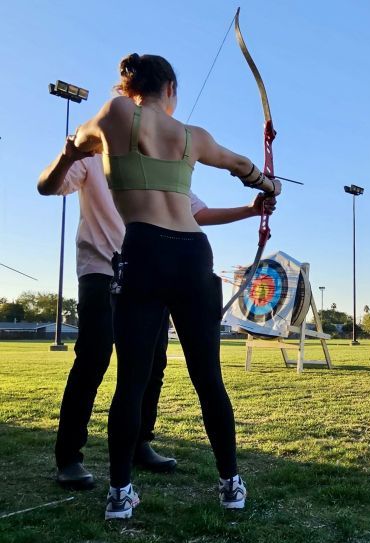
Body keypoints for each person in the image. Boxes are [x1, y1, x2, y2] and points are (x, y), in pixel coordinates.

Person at [73, 52, 280, 519]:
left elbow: (82, 140)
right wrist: (266, 184)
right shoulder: (190, 136)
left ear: (129, 87)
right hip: (191, 255)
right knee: (207, 378)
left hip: (145, 252)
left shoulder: (116, 114)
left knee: (133, 380)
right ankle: (230, 483)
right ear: (169, 89)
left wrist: (71, 148)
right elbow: (239, 162)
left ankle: (120, 494)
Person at [37, 142, 275, 492]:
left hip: (148, 273)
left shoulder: (163, 161)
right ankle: (69, 457)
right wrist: (68, 155)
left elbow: (196, 213)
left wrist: (251, 210)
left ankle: (139, 444)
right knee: (93, 358)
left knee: (152, 365)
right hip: (102, 269)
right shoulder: (93, 154)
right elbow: (49, 185)